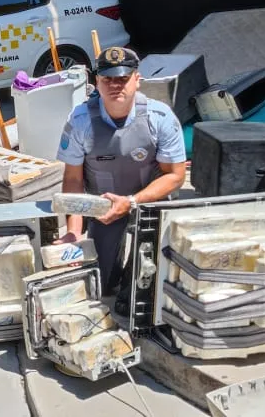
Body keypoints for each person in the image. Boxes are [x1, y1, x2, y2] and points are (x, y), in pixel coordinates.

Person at [55, 46, 186, 315]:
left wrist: (132, 201)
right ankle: (113, 272)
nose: (115, 86)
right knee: (100, 283)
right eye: (107, 79)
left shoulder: (160, 118)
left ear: (137, 79)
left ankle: (133, 281)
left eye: (123, 78)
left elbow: (175, 176)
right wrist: (74, 232)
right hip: (103, 207)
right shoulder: (80, 121)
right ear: (96, 82)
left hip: (148, 202)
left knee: (145, 281)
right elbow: (72, 180)